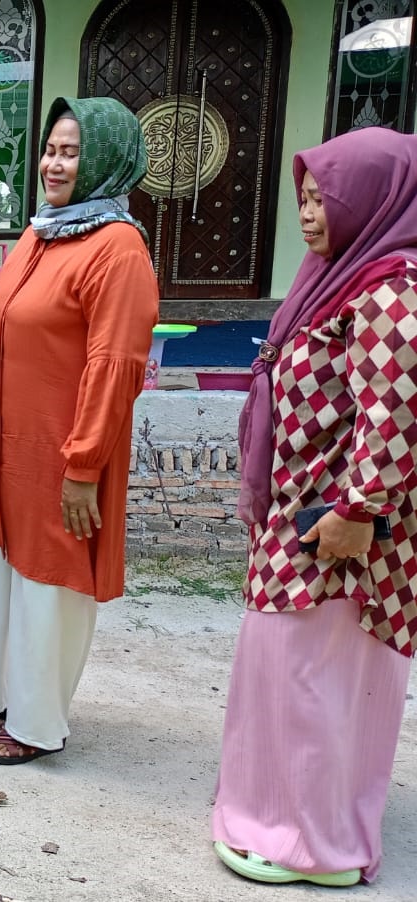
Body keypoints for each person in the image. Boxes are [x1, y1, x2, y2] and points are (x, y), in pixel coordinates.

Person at [211, 126, 417, 887]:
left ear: (372, 200)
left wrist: (357, 509)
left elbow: (394, 412)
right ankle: (277, 815)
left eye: (323, 197)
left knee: (316, 679)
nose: (307, 211)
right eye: (302, 196)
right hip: (303, 512)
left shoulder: (390, 289)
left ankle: (314, 844)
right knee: (286, 670)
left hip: (339, 529)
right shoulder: (337, 277)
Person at [0, 97, 158, 765]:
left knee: (47, 577)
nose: (54, 163)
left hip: (59, 447)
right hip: (6, 440)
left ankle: (37, 723)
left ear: (103, 160)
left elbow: (113, 365)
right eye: (51, 149)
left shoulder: (117, 249)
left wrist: (85, 464)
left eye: (71, 152)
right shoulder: (43, 232)